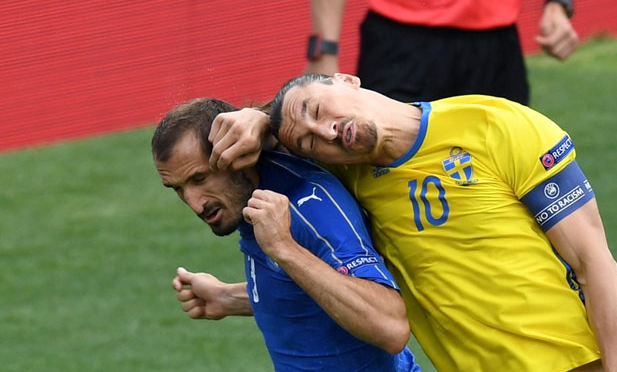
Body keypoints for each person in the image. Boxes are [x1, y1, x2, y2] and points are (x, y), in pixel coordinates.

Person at [208, 74, 617, 372]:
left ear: (346, 79)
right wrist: (235, 297)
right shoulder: (349, 182)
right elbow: (377, 288)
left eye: (318, 109)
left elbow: (594, 263)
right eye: (310, 142)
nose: (326, 132)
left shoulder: (494, 124)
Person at [151, 98, 420, 372]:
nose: (195, 203)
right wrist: (228, 298)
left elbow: (391, 327)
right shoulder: (247, 197)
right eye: (178, 188)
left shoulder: (308, 206)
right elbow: (310, 289)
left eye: (200, 179)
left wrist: (284, 248)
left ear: (236, 155)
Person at [304, 0, 583, 105]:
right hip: (399, 46)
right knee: (388, 178)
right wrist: (323, 52)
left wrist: (558, 1)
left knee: (504, 176)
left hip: (496, 46)